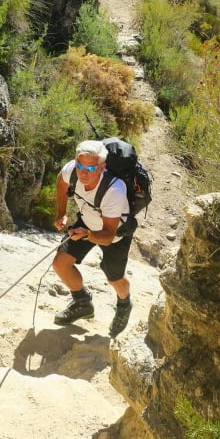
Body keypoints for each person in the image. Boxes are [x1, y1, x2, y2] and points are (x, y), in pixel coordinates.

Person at [52, 140, 133, 337]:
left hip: (114, 235)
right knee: (60, 264)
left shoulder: (114, 190)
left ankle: (124, 304)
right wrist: (61, 213)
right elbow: (61, 182)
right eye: (80, 165)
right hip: (87, 222)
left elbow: (107, 236)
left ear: (102, 167)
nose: (83, 172)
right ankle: (83, 304)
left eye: (90, 167)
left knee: (114, 278)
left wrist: (87, 235)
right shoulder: (72, 171)